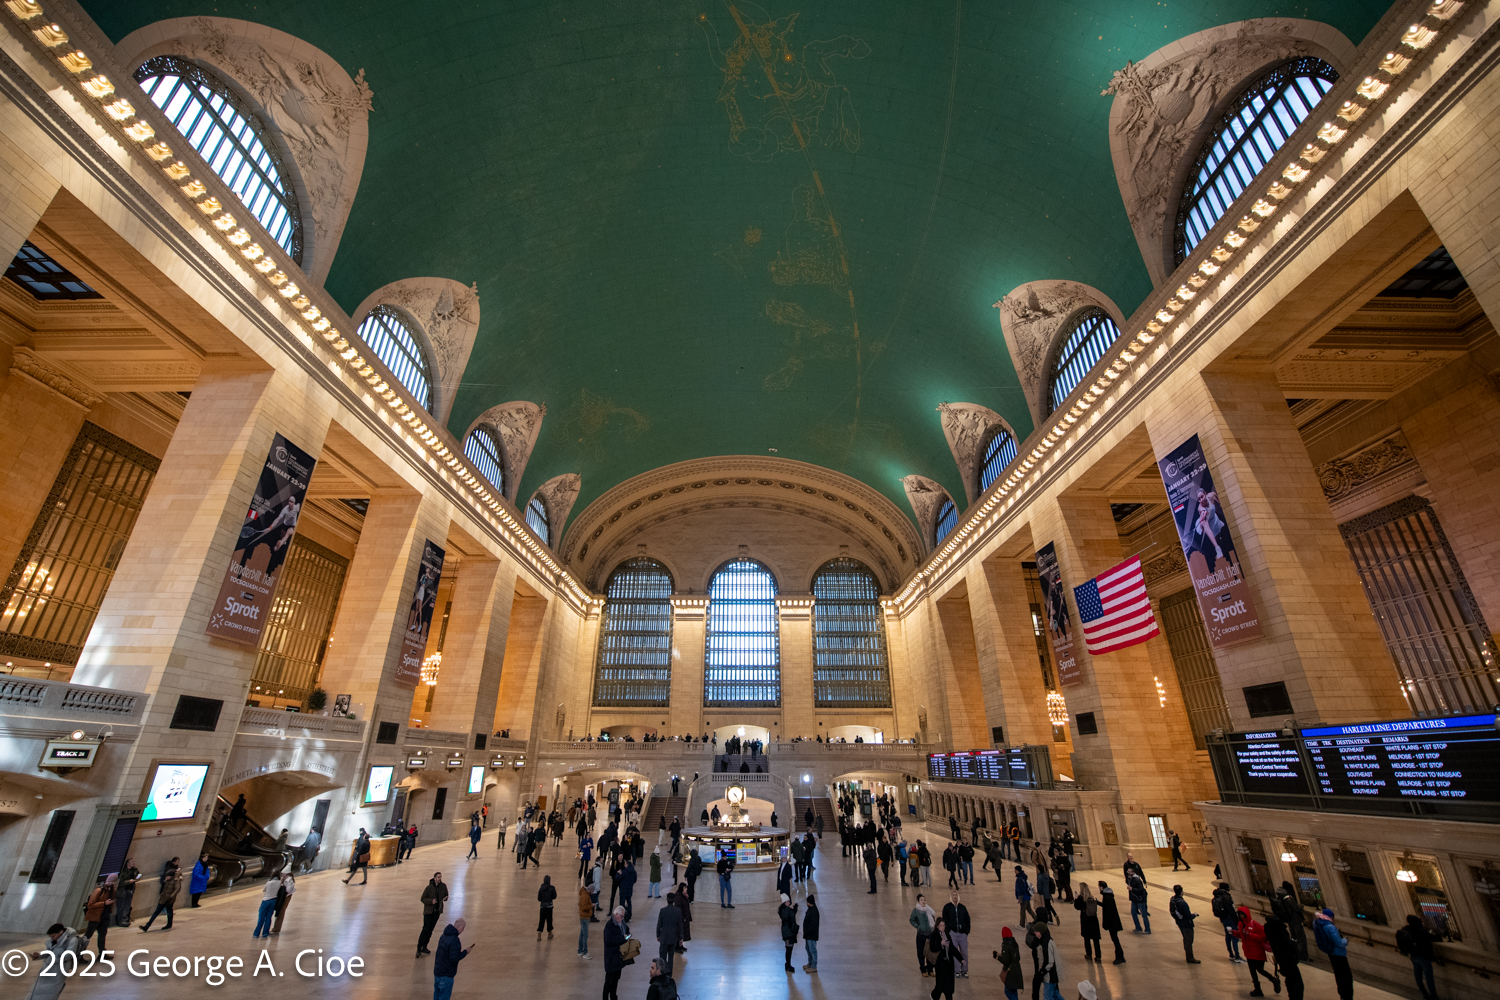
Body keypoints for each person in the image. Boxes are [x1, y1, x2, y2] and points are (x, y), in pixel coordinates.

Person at [26, 923, 81, 1000]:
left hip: (59, 969)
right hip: (47, 968)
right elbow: (48, 951)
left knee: (51, 990)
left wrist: (53, 959)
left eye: (53, 936)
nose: (52, 938)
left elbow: (68, 955)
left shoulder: (72, 939)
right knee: (39, 987)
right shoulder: (55, 940)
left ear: (61, 932)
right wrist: (39, 955)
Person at [1236, 905, 1279, 996]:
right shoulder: (1240, 924)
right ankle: (1257, 989)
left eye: (1242, 914)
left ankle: (1273, 980)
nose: (1240, 916)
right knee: (1252, 971)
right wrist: (1234, 933)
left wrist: (1250, 935)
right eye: (1239, 914)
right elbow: (1242, 936)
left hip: (1257, 951)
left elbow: (1263, 937)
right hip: (1248, 951)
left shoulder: (1254, 924)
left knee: (1260, 969)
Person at [1396, 914, 1438, 999]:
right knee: (1429, 978)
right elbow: (1435, 938)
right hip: (1424, 957)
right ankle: (1433, 996)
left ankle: (1424, 994)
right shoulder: (1421, 932)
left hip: (1414, 956)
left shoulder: (1407, 929)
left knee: (1418, 977)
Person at [433, 916, 475, 1000]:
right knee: (444, 997)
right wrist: (465, 952)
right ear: (459, 926)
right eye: (463, 928)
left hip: (438, 972)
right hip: (446, 974)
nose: (463, 931)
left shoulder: (443, 935)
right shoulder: (454, 940)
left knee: (436, 996)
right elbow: (454, 958)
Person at [1315, 908, 1353, 1000]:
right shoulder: (1330, 926)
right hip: (1338, 954)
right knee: (1346, 977)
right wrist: (1346, 940)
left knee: (1338, 975)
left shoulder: (1319, 923)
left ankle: (1342, 995)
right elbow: (1338, 943)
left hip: (1331, 953)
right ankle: (1347, 996)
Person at [1265, 917, 1304, 1000]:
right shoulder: (1279, 930)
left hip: (1281, 960)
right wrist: (1294, 945)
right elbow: (1287, 944)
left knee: (1290, 980)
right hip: (1288, 960)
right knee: (1297, 983)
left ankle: (1292, 996)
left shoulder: (1269, 929)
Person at [1272, 882, 1310, 963]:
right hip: (1295, 920)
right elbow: (1297, 908)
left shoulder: (1281, 896)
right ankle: (1302, 955)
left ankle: (1295, 953)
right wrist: (1301, 905)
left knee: (1293, 938)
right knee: (1300, 939)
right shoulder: (1289, 898)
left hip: (1289, 920)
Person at [140, 860, 182, 931]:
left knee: (169, 912)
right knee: (156, 912)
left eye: (167, 876)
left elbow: (177, 889)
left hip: (169, 900)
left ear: (171, 876)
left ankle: (169, 924)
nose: (166, 878)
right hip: (163, 898)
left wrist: (171, 896)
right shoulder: (167, 880)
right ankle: (147, 926)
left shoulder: (176, 881)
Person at [602, 906, 631, 1000]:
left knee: (616, 980)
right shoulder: (609, 925)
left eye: (623, 916)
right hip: (611, 958)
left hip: (618, 958)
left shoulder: (621, 923)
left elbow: (626, 931)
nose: (622, 918)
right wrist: (622, 938)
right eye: (621, 916)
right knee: (609, 981)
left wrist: (628, 936)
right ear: (616, 914)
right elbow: (608, 940)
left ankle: (613, 996)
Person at [417, 872, 448, 956]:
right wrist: (431, 901)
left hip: (436, 912)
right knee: (425, 929)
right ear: (434, 878)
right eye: (438, 877)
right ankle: (419, 948)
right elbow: (423, 898)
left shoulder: (443, 886)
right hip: (428, 912)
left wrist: (445, 898)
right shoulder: (429, 887)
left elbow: (446, 895)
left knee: (430, 930)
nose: (439, 879)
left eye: (440, 877)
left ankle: (425, 946)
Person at [943, 889, 972, 978]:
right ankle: (956, 970)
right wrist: (948, 932)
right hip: (953, 934)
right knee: (955, 953)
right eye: (953, 895)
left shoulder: (962, 908)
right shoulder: (947, 907)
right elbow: (945, 920)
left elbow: (967, 919)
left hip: (962, 934)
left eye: (956, 895)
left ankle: (964, 970)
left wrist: (966, 931)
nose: (955, 897)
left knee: (964, 952)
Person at [927, 917, 958, 1000]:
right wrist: (941, 945)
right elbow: (932, 948)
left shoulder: (947, 934)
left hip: (948, 964)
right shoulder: (934, 935)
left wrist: (961, 958)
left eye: (944, 926)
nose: (943, 927)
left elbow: (952, 948)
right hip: (939, 964)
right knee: (940, 985)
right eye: (941, 926)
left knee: (948, 987)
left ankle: (939, 996)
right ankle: (934, 995)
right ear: (937, 926)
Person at [82, 877, 115, 953]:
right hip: (95, 917)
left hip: (105, 916)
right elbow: (90, 905)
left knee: (102, 935)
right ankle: (79, 953)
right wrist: (104, 903)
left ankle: (102, 952)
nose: (113, 883)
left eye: (114, 882)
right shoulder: (98, 890)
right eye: (112, 881)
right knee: (88, 935)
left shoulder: (110, 891)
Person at [1169, 884, 1201, 963]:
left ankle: (1189, 956)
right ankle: (1190, 957)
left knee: (1186, 939)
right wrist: (1194, 915)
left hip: (1179, 922)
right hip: (1186, 923)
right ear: (1181, 892)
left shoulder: (1173, 899)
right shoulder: (1182, 903)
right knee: (1188, 940)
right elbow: (1188, 915)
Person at [1212, 884, 1244, 962]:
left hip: (1224, 920)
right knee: (1234, 937)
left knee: (1228, 936)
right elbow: (1232, 910)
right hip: (1230, 920)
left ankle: (1231, 955)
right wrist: (1237, 920)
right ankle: (1237, 956)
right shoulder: (1226, 897)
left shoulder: (1216, 896)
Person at [656, 887, 684, 975]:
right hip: (673, 938)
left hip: (664, 938)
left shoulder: (663, 911)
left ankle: (662, 974)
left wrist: (658, 935)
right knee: (671, 957)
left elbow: (659, 924)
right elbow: (680, 925)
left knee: (662, 958)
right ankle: (669, 975)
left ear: (667, 900)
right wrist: (681, 938)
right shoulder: (678, 911)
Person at [1097, 881, 1125, 964]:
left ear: (1101, 887)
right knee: (1115, 939)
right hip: (1113, 922)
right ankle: (1121, 955)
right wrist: (1098, 903)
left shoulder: (1107, 897)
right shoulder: (1107, 895)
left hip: (1112, 923)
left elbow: (1108, 911)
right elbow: (1106, 906)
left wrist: (1106, 924)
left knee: (1115, 939)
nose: (1098, 888)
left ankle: (1119, 957)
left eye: (1099, 886)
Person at [910, 893, 937, 977]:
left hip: (929, 934)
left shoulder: (928, 910)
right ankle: (923, 969)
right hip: (921, 934)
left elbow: (933, 919)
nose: (923, 901)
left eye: (924, 900)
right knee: (921, 952)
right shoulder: (916, 911)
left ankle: (930, 969)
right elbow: (911, 920)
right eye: (921, 900)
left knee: (929, 952)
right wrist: (918, 926)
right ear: (918, 901)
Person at [1073, 883, 1101, 962]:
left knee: (1087, 938)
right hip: (1094, 920)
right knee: (1096, 939)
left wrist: (1076, 899)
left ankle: (1089, 954)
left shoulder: (1081, 898)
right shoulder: (1092, 898)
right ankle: (1098, 956)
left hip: (1086, 920)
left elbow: (1077, 907)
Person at [995, 927, 1025, 1000]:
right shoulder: (1014, 943)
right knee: (1013, 990)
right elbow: (1017, 957)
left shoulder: (1006, 945)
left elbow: (1006, 961)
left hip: (1010, 972)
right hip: (1017, 970)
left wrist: (997, 957)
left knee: (1008, 991)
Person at [252, 872, 280, 938]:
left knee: (261, 917)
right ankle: (265, 933)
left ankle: (256, 933)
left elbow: (264, 890)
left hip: (265, 900)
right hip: (274, 900)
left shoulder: (269, 882)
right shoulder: (279, 883)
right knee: (268, 917)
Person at [778, 892, 799, 972]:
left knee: (788, 949)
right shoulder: (786, 910)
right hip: (789, 932)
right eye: (788, 902)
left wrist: (793, 910)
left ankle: (788, 964)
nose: (789, 903)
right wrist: (793, 911)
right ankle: (788, 964)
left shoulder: (783, 910)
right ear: (785, 902)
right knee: (789, 949)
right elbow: (789, 916)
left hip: (787, 931)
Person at [114, 859, 140, 926]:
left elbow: (138, 875)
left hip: (130, 890)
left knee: (127, 906)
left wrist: (138, 877)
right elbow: (119, 883)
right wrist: (129, 881)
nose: (134, 863)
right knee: (121, 906)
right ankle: (120, 921)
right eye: (132, 862)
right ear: (128, 863)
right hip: (123, 891)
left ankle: (125, 920)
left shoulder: (134, 870)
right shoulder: (123, 871)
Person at [801, 894, 820, 973]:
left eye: (807, 902)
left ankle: (813, 966)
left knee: (812, 949)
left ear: (809, 902)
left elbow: (813, 925)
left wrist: (808, 931)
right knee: (808, 948)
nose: (806, 903)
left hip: (811, 935)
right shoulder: (810, 909)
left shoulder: (814, 912)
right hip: (808, 934)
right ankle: (810, 963)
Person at [536, 874, 557, 939]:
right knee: (549, 920)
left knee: (541, 920)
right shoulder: (552, 888)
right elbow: (554, 896)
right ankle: (549, 934)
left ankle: (539, 935)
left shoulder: (541, 888)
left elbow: (539, 898)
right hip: (549, 907)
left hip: (542, 907)